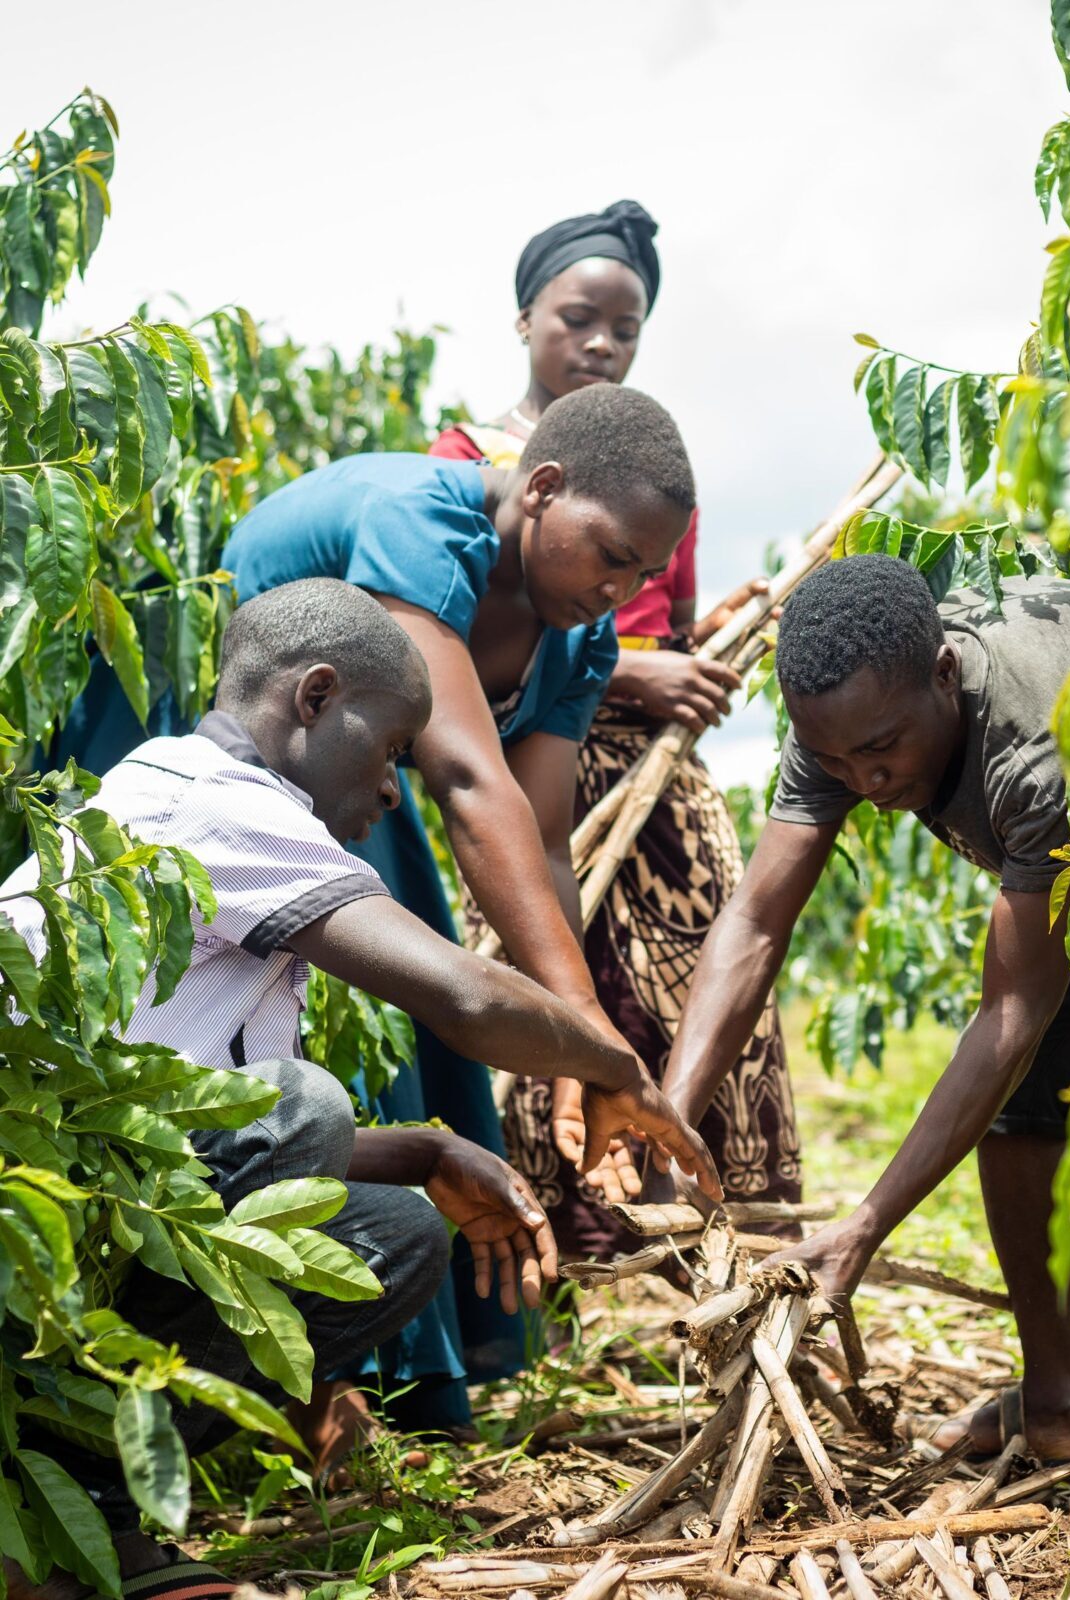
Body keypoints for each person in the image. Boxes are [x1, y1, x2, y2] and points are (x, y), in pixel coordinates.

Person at [0, 580, 720, 1600]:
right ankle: (61, 1524)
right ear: (315, 697)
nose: (393, 791)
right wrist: (615, 1064)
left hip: (63, 1209)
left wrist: (425, 1152)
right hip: (30, 1234)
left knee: (399, 1233)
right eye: (389, 750)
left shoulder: (179, 791)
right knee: (304, 1104)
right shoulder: (219, 801)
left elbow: (171, 1121)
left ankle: (73, 1492)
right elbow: (463, 997)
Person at [658, 555, 1070, 1587]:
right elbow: (752, 924)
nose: (867, 784)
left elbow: (1012, 1007)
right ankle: (1059, 1402)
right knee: (1022, 1107)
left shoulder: (1028, 743)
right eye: (838, 760)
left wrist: (865, 1223)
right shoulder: (836, 728)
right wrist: (668, 1113)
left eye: (883, 751)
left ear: (941, 675)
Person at [219, 384, 698, 1431]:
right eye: (609, 552)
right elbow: (467, 783)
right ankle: (319, 1377)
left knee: (429, 1006)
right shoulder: (420, 522)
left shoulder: (579, 642)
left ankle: (413, 1368)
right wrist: (596, 1048)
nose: (619, 587)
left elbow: (538, 837)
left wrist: (579, 1037)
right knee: (371, 1008)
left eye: (644, 574)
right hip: (242, 756)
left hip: (351, 777)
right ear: (540, 487)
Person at [431, 200, 799, 1256]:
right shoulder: (464, 460)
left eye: (624, 330)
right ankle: (540, 1260)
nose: (600, 344)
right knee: (533, 984)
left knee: (699, 993)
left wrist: (706, 640)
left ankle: (713, 1242)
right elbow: (466, 644)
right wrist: (634, 678)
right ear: (523, 319)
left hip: (658, 786)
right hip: (530, 767)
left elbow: (662, 623)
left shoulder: (653, 474)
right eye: (577, 319)